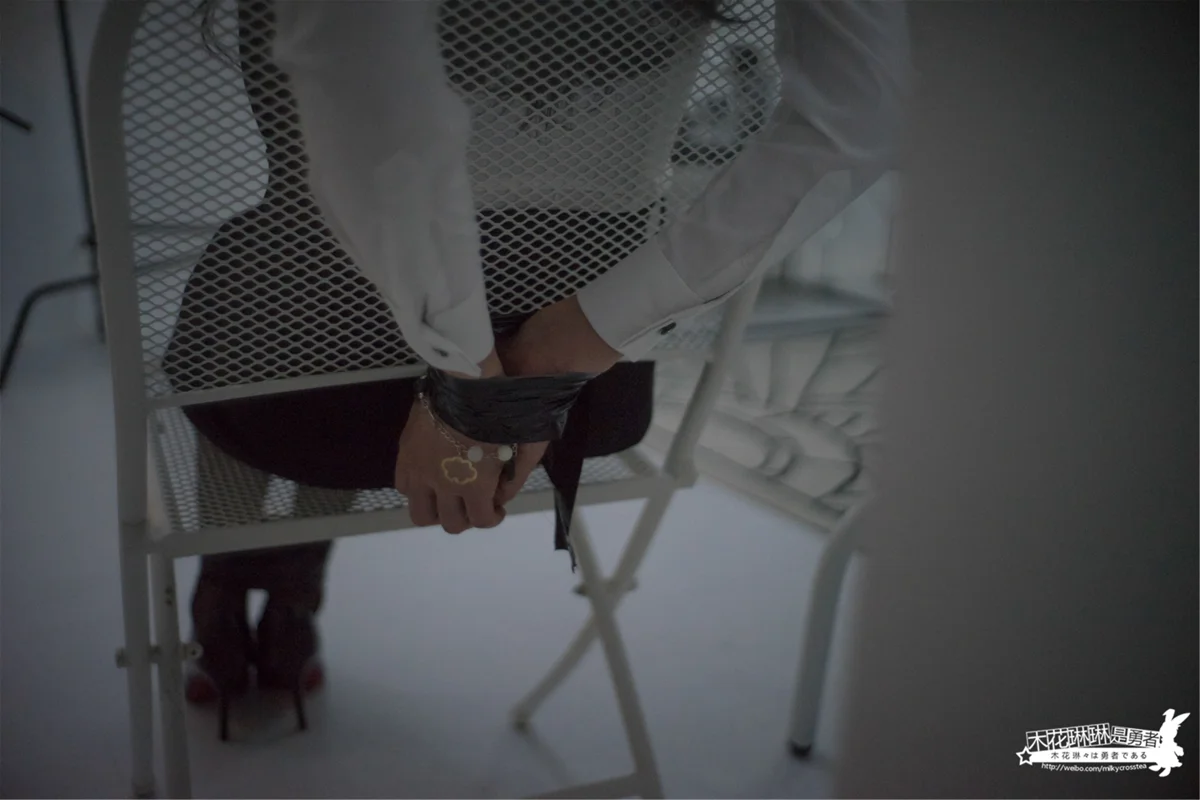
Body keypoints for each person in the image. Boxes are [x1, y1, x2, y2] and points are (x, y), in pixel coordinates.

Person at [169, 0, 910, 739]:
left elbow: (371, 105)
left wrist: (469, 377)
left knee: (265, 301)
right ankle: (292, 597)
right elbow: (862, 110)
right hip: (583, 400)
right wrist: (578, 336)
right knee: (323, 330)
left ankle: (225, 584)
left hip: (312, 388)